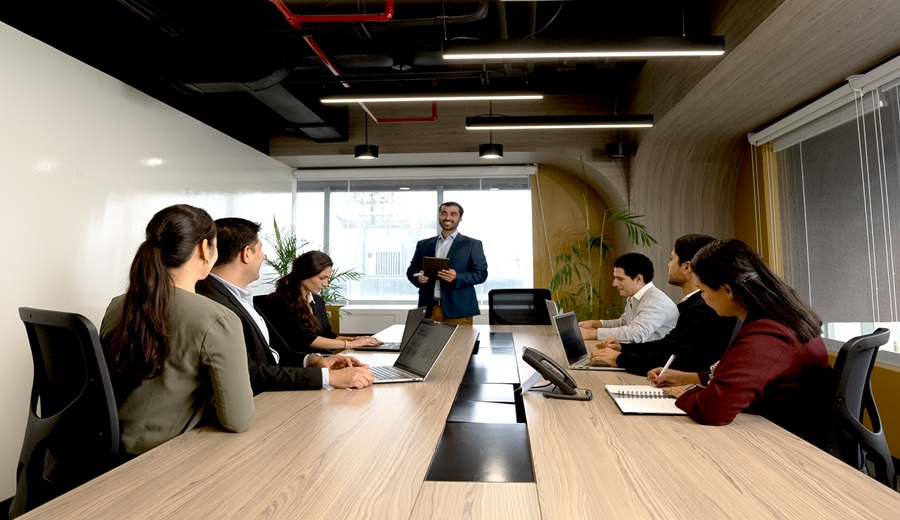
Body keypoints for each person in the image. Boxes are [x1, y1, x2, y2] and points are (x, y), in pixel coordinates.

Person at [100, 204, 255, 457]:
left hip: (113, 450)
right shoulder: (219, 319)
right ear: (205, 248)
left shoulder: (117, 305)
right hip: (168, 459)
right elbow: (238, 419)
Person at [649, 239, 832, 445]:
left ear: (727, 290)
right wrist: (688, 378)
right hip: (779, 429)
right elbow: (748, 374)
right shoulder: (779, 315)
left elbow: (713, 410)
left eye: (703, 291)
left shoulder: (768, 334)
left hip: (783, 441)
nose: (703, 298)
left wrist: (687, 393)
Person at [196, 218, 373, 392]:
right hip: (261, 398)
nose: (263, 255)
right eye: (260, 249)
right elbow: (248, 373)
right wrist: (328, 377)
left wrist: (313, 360)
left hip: (276, 386)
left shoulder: (241, 297)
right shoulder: (212, 302)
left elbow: (275, 353)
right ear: (247, 253)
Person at [591, 234, 738, 374]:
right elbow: (665, 344)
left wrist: (619, 358)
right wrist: (622, 348)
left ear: (687, 267)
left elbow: (672, 360)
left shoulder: (702, 309)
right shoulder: (690, 305)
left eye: (671, 259)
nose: (668, 265)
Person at [255, 251, 384, 351]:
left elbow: (328, 335)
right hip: (299, 364)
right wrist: (349, 344)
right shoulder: (279, 302)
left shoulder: (318, 301)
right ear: (304, 274)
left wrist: (357, 340)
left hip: (320, 360)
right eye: (322, 278)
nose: (326, 284)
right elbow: (305, 339)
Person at [406, 202, 488, 325]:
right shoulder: (423, 244)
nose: (448, 218)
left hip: (459, 310)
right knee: (430, 344)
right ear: (439, 216)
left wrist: (457, 277)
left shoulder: (472, 244)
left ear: (460, 218)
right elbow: (411, 271)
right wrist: (419, 277)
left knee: (459, 344)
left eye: (453, 214)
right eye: (444, 214)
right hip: (429, 309)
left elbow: (481, 274)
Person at [578, 252, 678, 343]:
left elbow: (635, 333)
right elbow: (623, 323)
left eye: (620, 279)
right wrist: (595, 324)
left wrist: (591, 334)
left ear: (638, 278)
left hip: (654, 361)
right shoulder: (637, 297)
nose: (614, 283)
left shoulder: (656, 303)